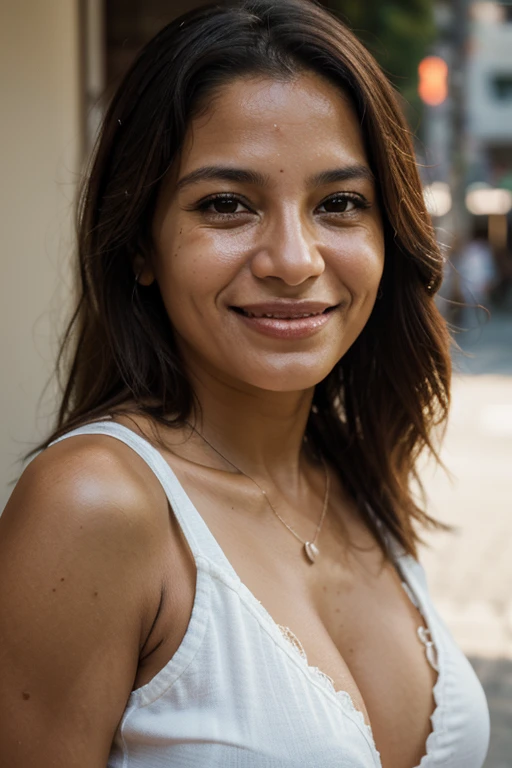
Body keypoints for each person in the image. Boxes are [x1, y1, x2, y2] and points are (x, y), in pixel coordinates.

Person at [0, 1, 490, 766]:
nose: (294, 260)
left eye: (339, 204)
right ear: (141, 246)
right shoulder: (96, 506)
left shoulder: (354, 476)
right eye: (227, 204)